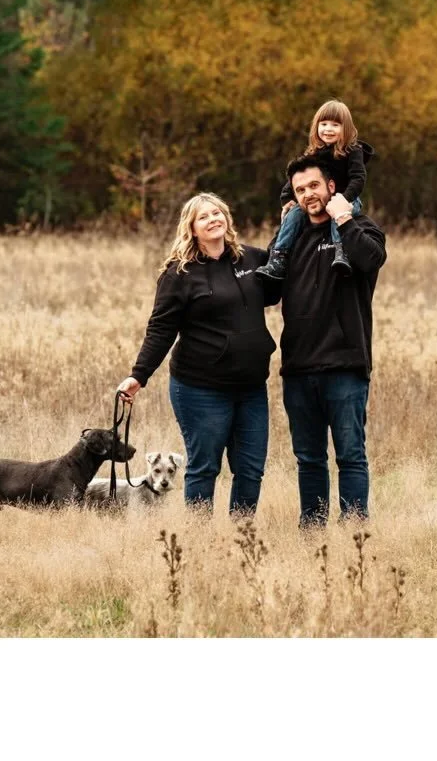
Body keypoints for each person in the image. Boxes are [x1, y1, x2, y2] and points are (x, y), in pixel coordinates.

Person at [117, 193, 281, 515]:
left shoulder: (251, 259)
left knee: (250, 469)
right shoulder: (179, 274)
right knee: (205, 467)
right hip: (200, 388)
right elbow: (161, 329)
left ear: (227, 218)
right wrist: (139, 375)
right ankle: (198, 539)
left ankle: (243, 537)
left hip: (250, 388)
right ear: (191, 228)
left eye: (217, 212)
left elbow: (276, 289)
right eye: (203, 217)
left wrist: (291, 222)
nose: (213, 219)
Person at [273, 153, 387, 526]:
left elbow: (371, 260)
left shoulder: (360, 228)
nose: (308, 194)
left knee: (350, 455)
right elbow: (267, 289)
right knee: (308, 458)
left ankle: (355, 534)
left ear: (332, 187)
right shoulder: (291, 238)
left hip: (345, 365)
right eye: (300, 189)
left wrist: (344, 218)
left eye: (314, 186)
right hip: (298, 367)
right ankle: (313, 532)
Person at [256, 98, 374, 279]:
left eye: (335, 125)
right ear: (316, 127)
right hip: (322, 200)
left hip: (347, 199)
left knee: (337, 213)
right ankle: (278, 257)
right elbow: (296, 180)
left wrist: (344, 199)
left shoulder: (353, 151)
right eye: (323, 124)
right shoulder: (314, 153)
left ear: (346, 129)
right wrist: (287, 199)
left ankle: (341, 252)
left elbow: (358, 178)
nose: (328, 129)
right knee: (294, 214)